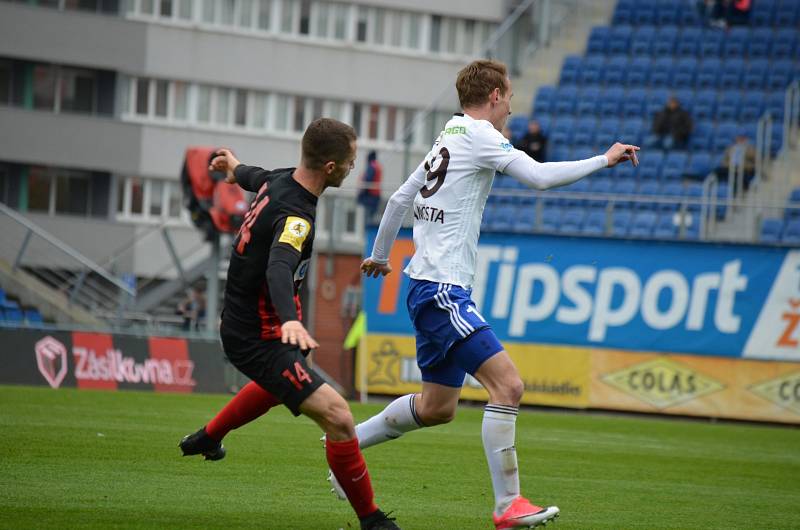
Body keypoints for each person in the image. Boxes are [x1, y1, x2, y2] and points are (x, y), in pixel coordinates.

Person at [331, 60, 639, 530]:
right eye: (509, 96)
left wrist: (379, 256)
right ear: (494, 95)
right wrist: (604, 158)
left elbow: (397, 201)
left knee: (437, 408)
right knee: (508, 386)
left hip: (422, 284)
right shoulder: (479, 135)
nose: (512, 106)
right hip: (442, 291)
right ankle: (508, 506)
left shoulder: (447, 135)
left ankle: (345, 445)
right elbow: (538, 178)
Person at [178, 118, 401, 530]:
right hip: (257, 335)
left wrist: (233, 167)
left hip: (252, 324)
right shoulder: (298, 214)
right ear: (331, 168)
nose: (354, 168)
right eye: (350, 162)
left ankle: (209, 436)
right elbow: (279, 266)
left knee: (278, 387)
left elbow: (254, 176)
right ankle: (372, 520)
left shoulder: (281, 181)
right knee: (338, 416)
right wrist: (291, 322)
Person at [357, 150, 383, 221]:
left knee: (368, 217)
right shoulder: (378, 166)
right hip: (376, 195)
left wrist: (361, 193)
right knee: (372, 216)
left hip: (370, 195)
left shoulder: (372, 166)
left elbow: (368, 179)